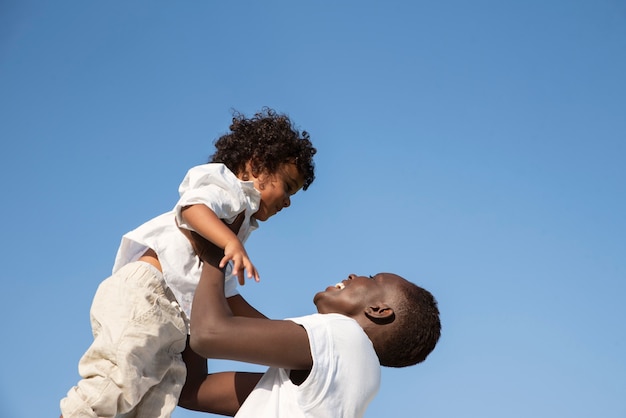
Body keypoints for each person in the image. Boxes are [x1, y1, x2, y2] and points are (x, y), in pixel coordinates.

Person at [60, 107, 317, 418]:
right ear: (257, 164)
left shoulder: (238, 224)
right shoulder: (225, 185)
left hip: (174, 319)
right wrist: (230, 241)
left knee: (153, 402)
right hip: (148, 295)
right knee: (116, 382)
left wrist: (278, 333)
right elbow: (193, 207)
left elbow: (229, 299)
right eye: (287, 186)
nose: (288, 201)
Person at [178, 229, 442, 417]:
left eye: (372, 278)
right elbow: (192, 390)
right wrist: (203, 286)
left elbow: (209, 334)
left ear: (378, 310)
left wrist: (213, 253)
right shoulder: (353, 373)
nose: (354, 274)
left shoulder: (343, 334)